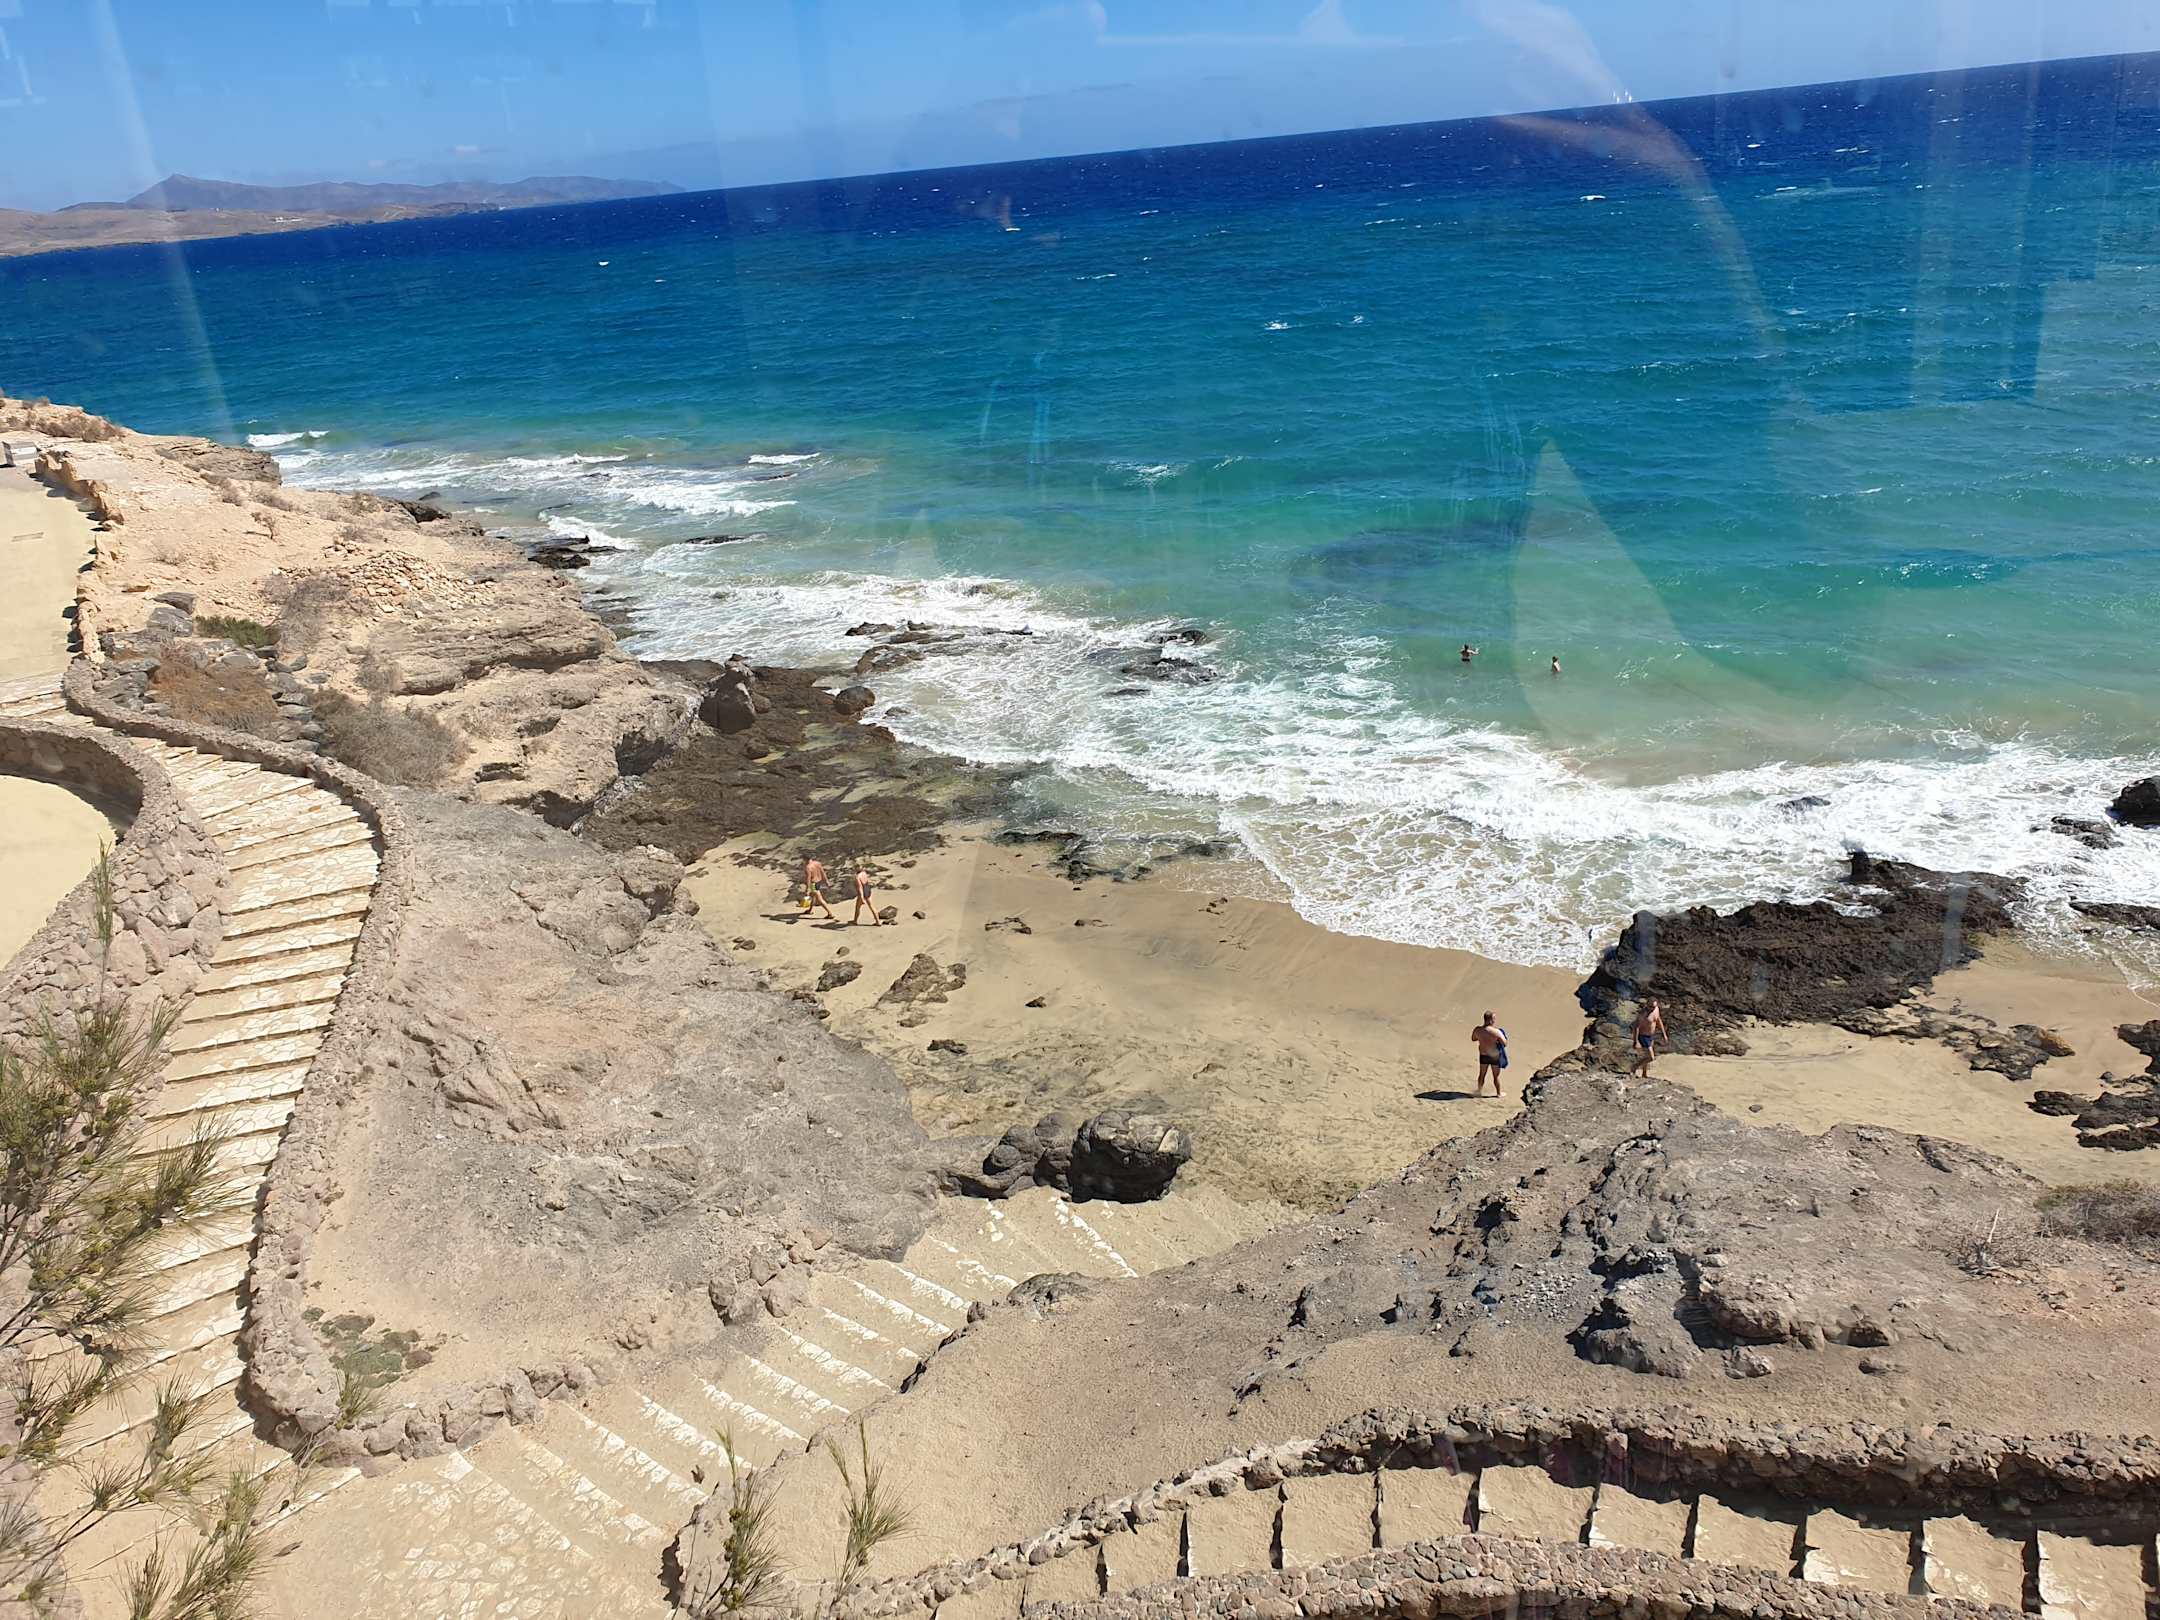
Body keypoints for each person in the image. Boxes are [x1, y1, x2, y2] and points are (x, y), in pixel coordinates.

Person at [1471, 1010, 1508, 1097]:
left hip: (1483, 1055)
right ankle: (1498, 1093)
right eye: (1494, 1018)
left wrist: (1482, 1038)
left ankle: (1479, 1091)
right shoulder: (1496, 1032)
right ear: (1491, 1020)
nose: (1495, 1020)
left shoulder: (1477, 1030)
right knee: (1496, 1076)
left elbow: (1473, 1038)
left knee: (1482, 1074)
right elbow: (1504, 1043)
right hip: (1494, 1056)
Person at [1631, 997, 1666, 1077]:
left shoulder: (1656, 1009)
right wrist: (1636, 1041)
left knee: (1646, 1055)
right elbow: (1636, 1027)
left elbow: (1658, 1020)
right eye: (1650, 1007)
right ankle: (1634, 1067)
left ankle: (1644, 1073)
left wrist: (1664, 1034)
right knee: (1651, 1057)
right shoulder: (1643, 1014)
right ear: (1647, 1005)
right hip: (1643, 1036)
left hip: (1651, 1035)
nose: (1652, 1009)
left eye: (1653, 1007)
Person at [798, 855, 839, 922]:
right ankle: (810, 910)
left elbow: (808, 879)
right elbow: (823, 872)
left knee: (819, 899)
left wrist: (807, 889)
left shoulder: (808, 867)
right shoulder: (817, 863)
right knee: (813, 896)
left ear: (805, 859)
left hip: (813, 884)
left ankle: (830, 913)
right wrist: (826, 881)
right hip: (818, 882)